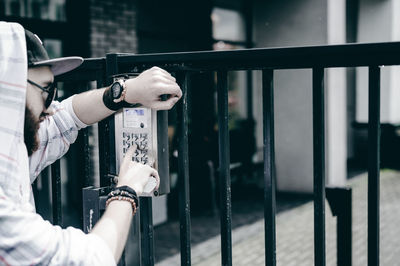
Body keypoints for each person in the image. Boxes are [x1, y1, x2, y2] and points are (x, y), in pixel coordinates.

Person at [0, 22, 182, 265]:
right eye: (45, 90)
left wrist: (124, 92)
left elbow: (64, 118)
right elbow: (89, 260)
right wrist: (126, 191)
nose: (50, 107)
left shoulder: (10, 145)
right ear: (7, 91)